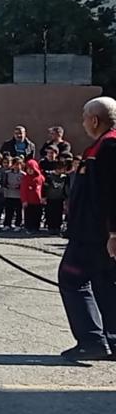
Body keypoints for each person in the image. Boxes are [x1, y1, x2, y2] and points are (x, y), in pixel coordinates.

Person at [57, 97, 116, 360]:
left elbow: (113, 194)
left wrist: (114, 233)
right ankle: (111, 340)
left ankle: (92, 340)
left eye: (84, 117)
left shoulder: (109, 146)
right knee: (105, 284)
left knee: (72, 279)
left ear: (95, 120)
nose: (82, 122)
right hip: (93, 233)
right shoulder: (103, 145)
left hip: (93, 234)